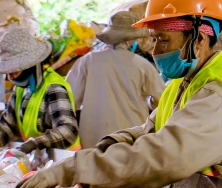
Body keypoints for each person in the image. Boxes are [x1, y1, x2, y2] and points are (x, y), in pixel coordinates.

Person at [15, 0, 222, 188]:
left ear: (199, 38)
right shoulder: (183, 83)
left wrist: (74, 169)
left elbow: (163, 156)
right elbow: (149, 131)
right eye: (153, 40)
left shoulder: (216, 96)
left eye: (163, 40)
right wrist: (104, 148)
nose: (155, 51)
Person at [66, 10, 165, 149]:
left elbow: (70, 99)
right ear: (131, 39)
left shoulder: (88, 61)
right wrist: (149, 103)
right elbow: (162, 101)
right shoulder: (142, 65)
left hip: (93, 140)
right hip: (130, 140)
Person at [0, 23, 80, 153]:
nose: (10, 77)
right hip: (40, 161)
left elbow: (68, 132)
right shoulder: (20, 89)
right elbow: (8, 127)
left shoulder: (54, 88)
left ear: (30, 66)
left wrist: (35, 143)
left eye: (14, 70)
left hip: (63, 163)